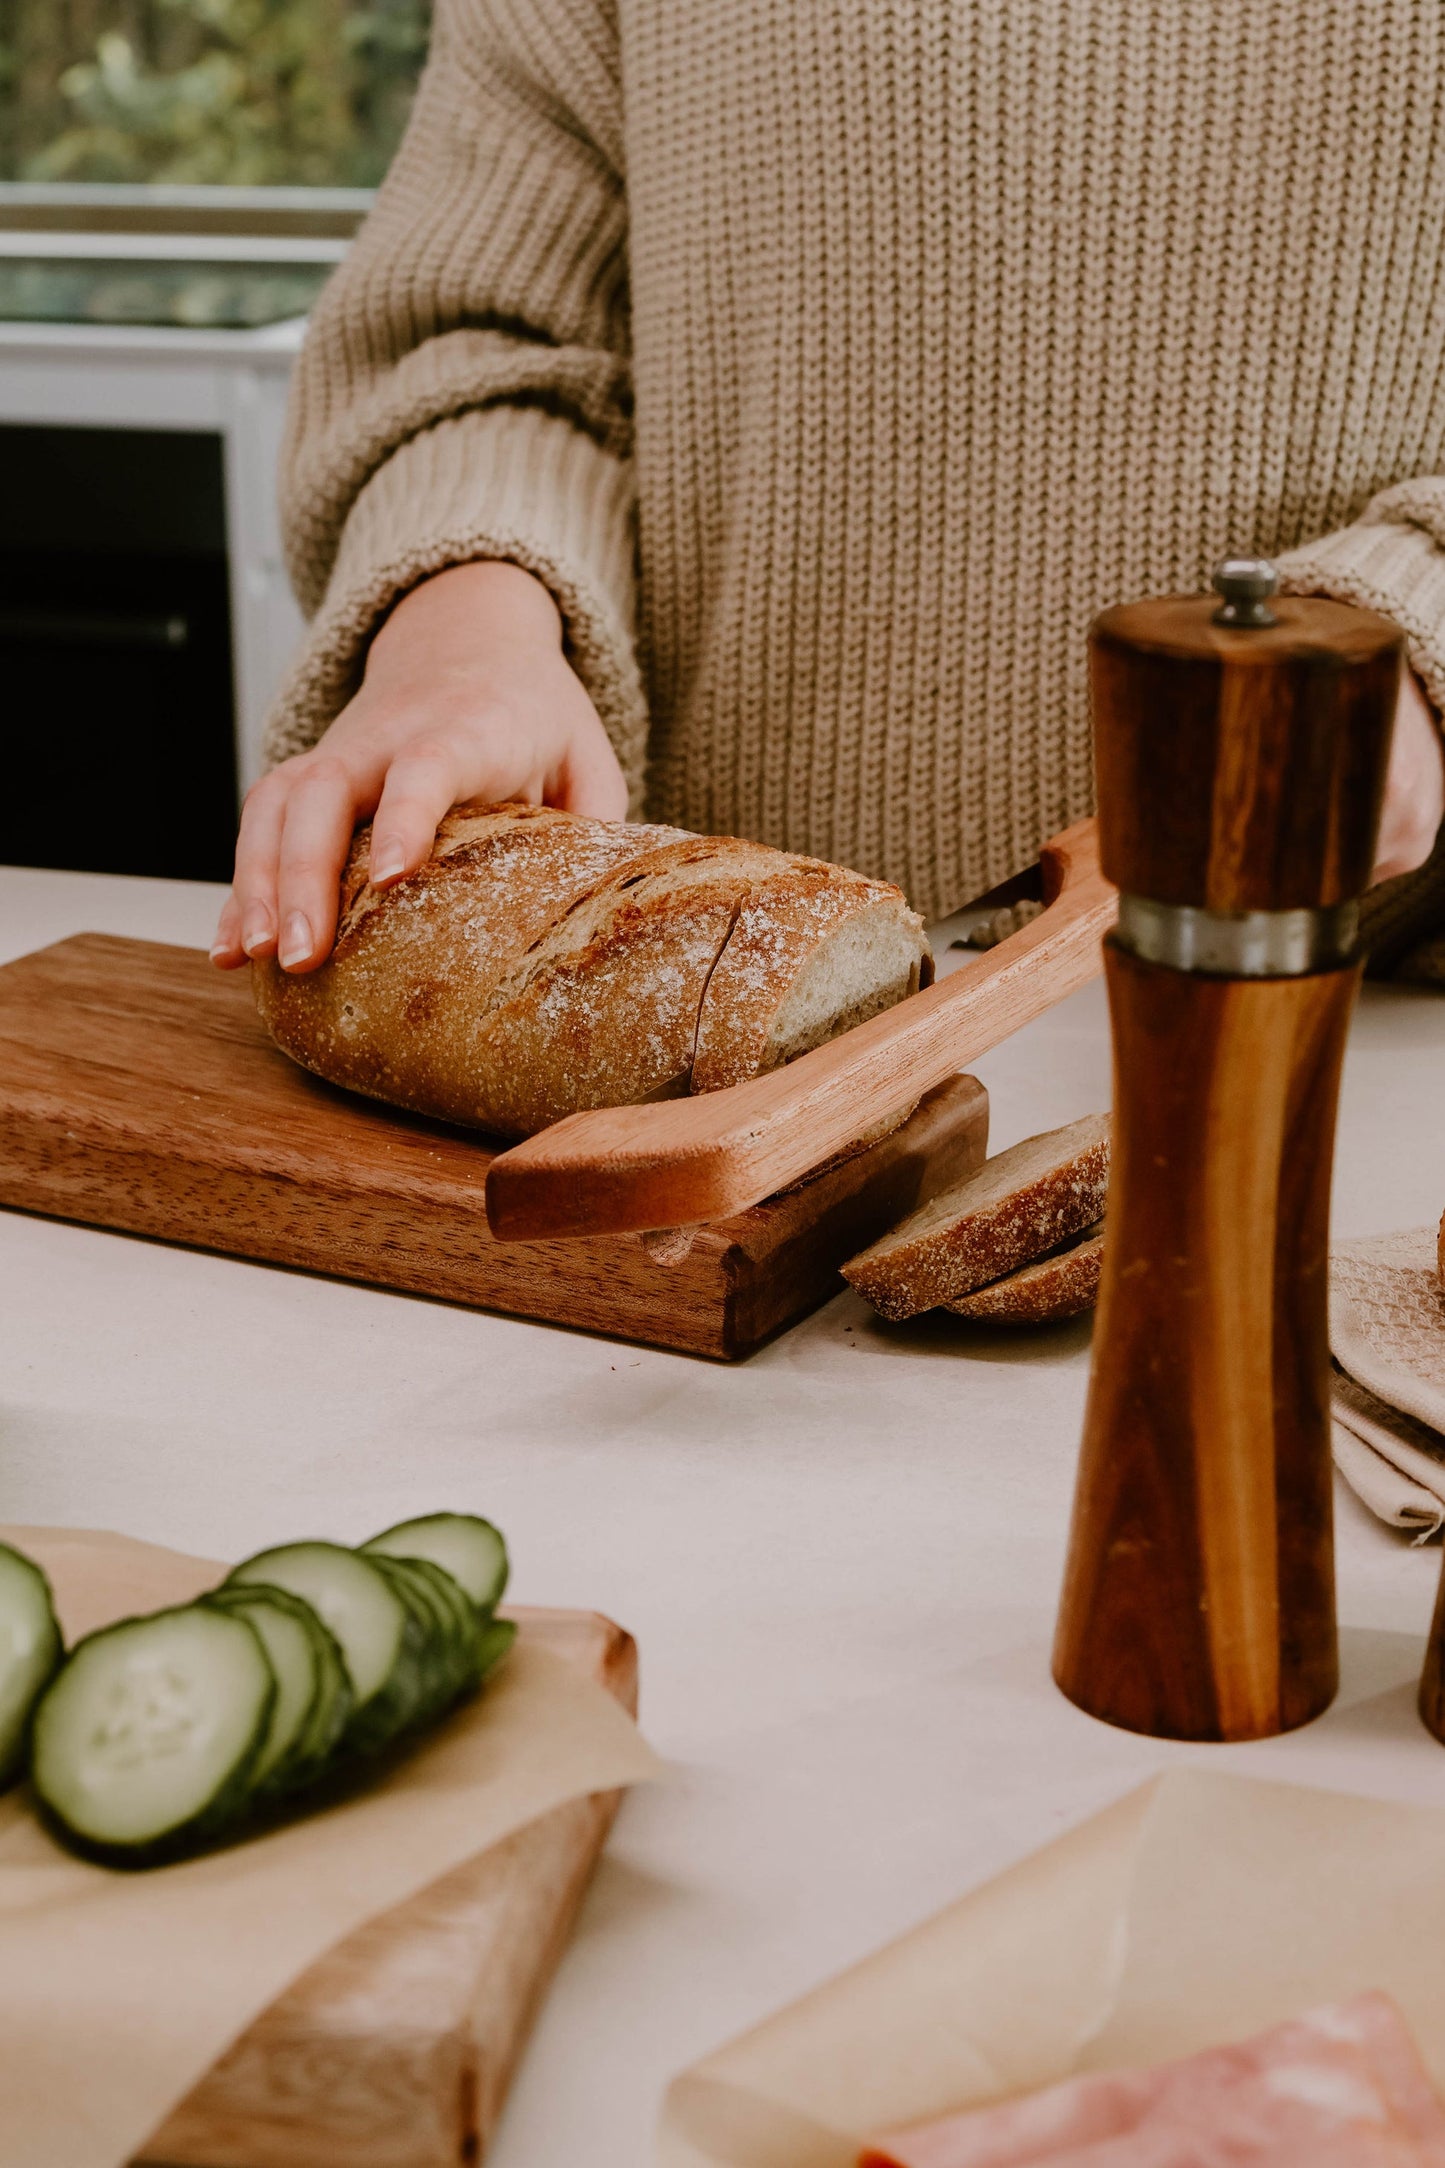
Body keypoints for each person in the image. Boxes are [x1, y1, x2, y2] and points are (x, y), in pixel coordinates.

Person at [212, 0, 1445, 979]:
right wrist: (470, 631)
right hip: (687, 1009)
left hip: (1364, 1023)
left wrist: (1416, 635)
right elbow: (478, 331)